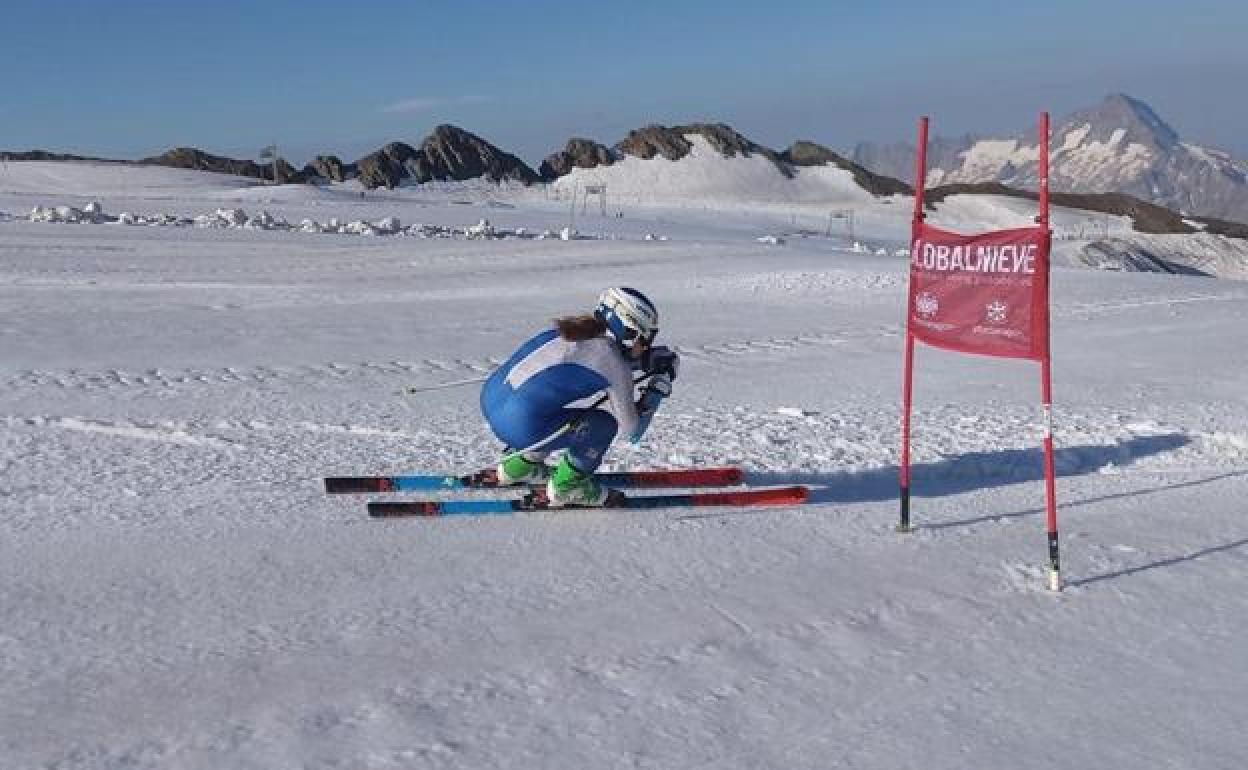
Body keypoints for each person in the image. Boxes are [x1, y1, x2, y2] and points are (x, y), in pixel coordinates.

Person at [480, 287, 680, 506]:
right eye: (645, 339)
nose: (645, 347)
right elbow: (633, 430)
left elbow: (595, 361)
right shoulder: (613, 363)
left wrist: (641, 363)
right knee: (602, 426)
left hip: (492, 401)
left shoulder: (568, 331)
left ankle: (517, 468)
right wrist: (660, 385)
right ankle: (567, 488)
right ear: (629, 332)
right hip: (521, 428)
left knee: (547, 412)